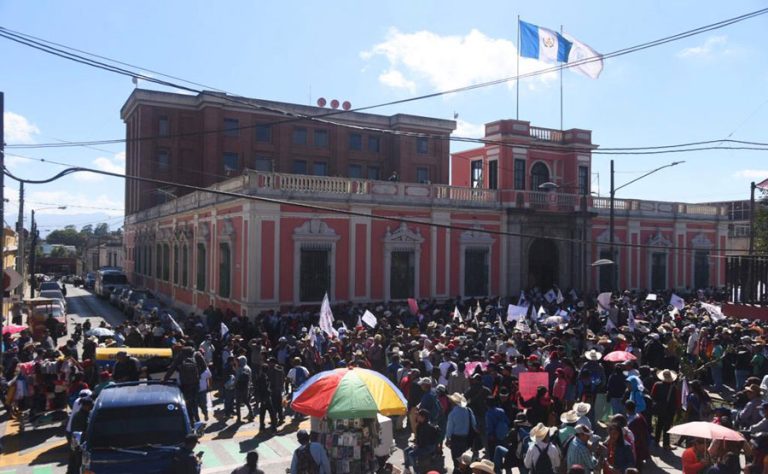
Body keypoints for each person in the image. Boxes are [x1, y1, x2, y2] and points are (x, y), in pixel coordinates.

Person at [403, 409, 440, 474]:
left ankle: (417, 471)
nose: (417, 416)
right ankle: (407, 469)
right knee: (406, 450)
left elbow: (424, 441)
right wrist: (415, 444)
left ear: (423, 417)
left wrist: (416, 446)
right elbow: (419, 438)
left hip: (428, 447)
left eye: (419, 415)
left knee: (411, 454)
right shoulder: (420, 425)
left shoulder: (427, 427)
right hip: (422, 445)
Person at [445, 392, 476, 468]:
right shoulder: (469, 411)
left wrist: (447, 439)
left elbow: (449, 428)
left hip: (456, 439)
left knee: (456, 459)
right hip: (466, 438)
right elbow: (474, 424)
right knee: (464, 459)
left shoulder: (452, 413)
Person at [650, 369, 679, 449]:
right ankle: (666, 444)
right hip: (669, 410)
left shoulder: (657, 385)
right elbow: (676, 401)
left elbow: (652, 396)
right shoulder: (673, 388)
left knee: (659, 424)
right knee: (667, 427)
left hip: (660, 408)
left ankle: (656, 441)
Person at [66, 397, 93, 474]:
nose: (91, 407)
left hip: (81, 443)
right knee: (78, 463)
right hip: (79, 444)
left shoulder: (87, 414)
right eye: (90, 405)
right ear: (85, 406)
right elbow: (78, 433)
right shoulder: (79, 416)